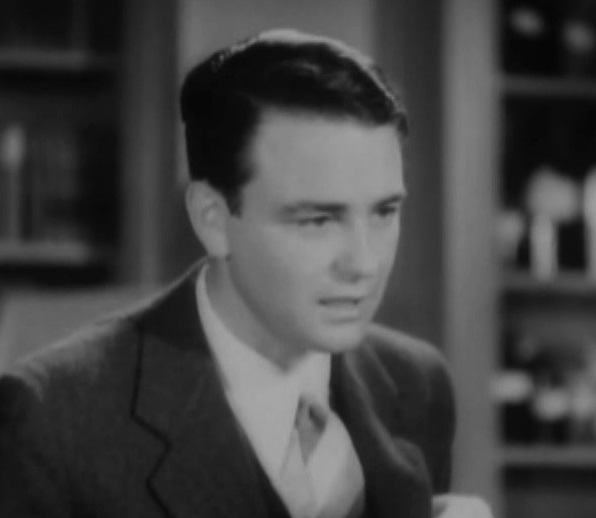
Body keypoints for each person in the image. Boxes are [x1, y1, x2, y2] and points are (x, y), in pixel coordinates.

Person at [0, 29, 466, 518]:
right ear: (214, 221)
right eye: (318, 220)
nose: (364, 263)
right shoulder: (51, 422)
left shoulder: (418, 384)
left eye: (384, 212)